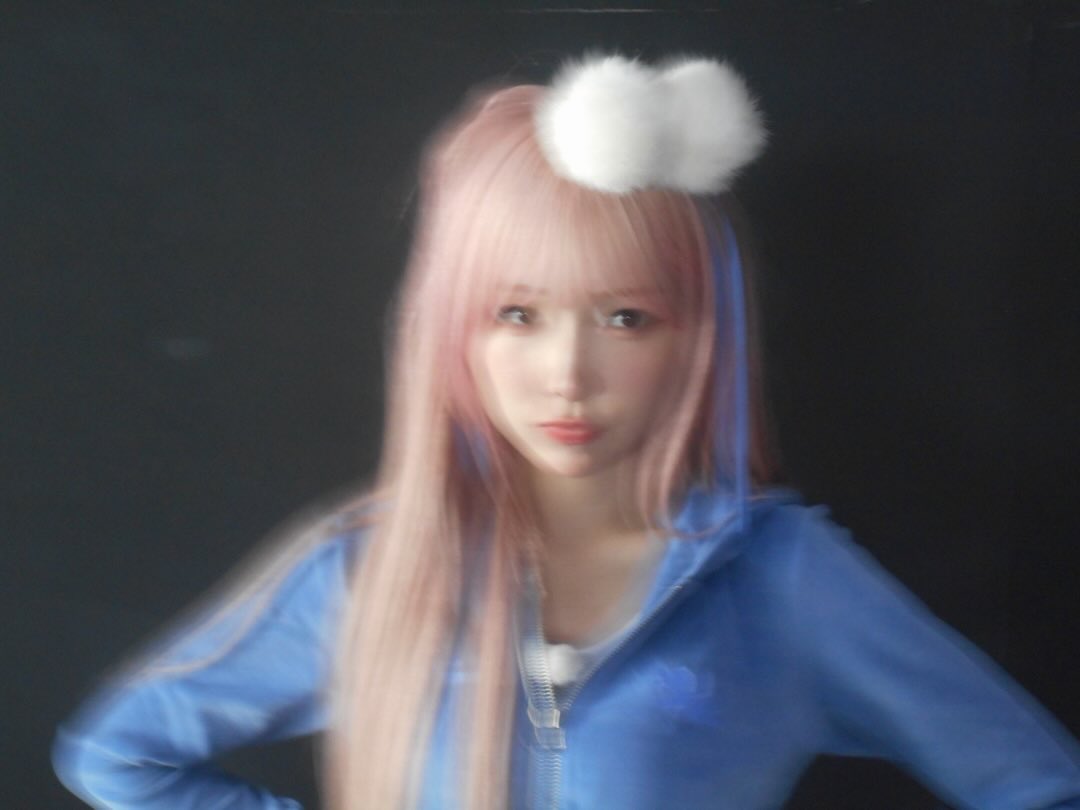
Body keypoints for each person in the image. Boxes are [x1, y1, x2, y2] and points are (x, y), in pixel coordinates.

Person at [52, 53, 1080, 809]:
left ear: (696, 338)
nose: (567, 375)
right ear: (452, 328)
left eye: (626, 318)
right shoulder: (367, 572)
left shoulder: (782, 577)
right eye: (516, 313)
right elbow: (121, 756)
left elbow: (1040, 785)